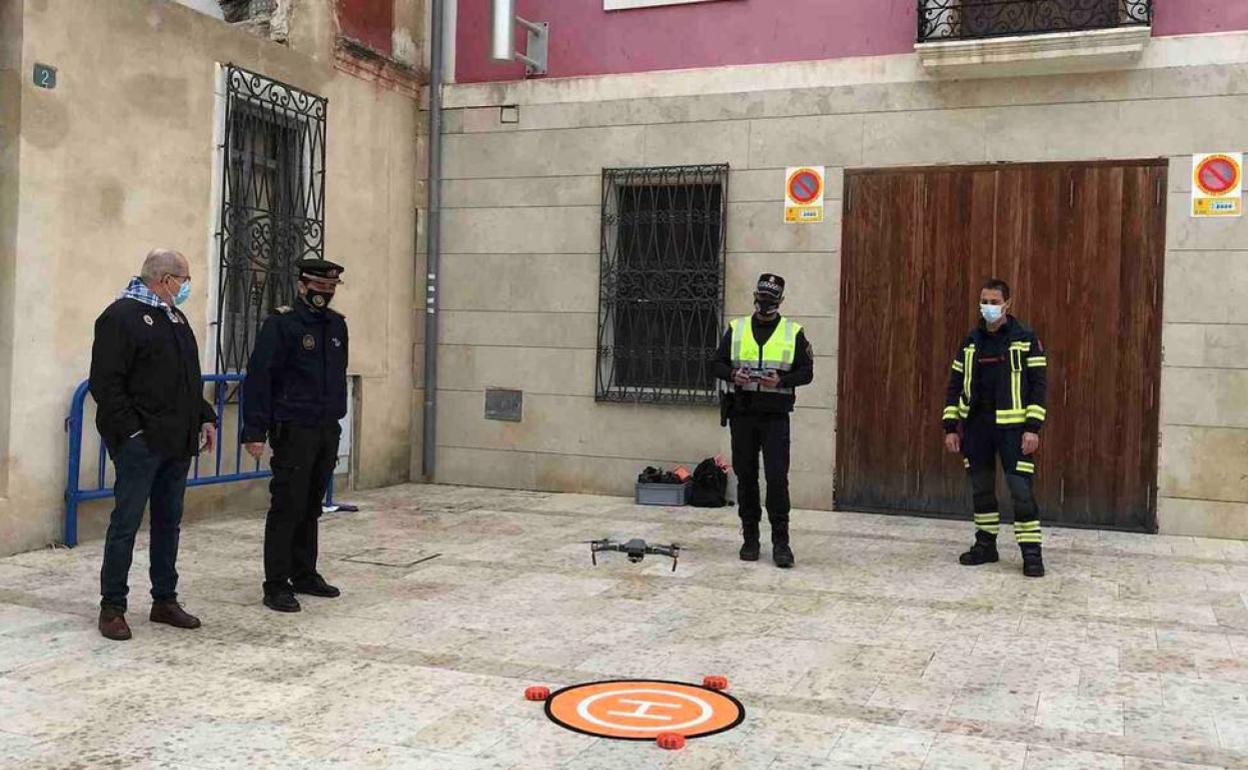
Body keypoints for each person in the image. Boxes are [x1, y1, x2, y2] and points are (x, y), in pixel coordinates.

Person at [89, 249, 217, 641]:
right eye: (185, 280)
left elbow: (186, 381)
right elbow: (106, 384)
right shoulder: (120, 317)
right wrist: (131, 435)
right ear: (166, 279)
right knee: (126, 524)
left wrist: (205, 416)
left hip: (176, 442)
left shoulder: (175, 318)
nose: (186, 287)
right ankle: (113, 606)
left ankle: (164, 599)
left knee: (168, 524)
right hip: (141, 444)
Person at [242, 258, 348, 612]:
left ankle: (304, 573)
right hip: (293, 430)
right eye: (319, 288)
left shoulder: (336, 327)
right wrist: (253, 431)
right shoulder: (282, 324)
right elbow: (260, 378)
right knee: (287, 505)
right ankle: (275, 584)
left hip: (325, 428)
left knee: (311, 505)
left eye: (331, 289)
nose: (325, 295)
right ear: (303, 286)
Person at [942, 278, 1048, 578]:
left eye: (993, 302)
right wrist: (950, 426)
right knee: (982, 489)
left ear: (1007, 304)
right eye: (984, 301)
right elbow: (954, 385)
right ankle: (985, 545)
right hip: (976, 428)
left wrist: (1033, 428)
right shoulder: (971, 341)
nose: (988, 307)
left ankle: (1031, 553)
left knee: (1021, 491)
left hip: (1014, 431)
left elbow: (1039, 386)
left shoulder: (1026, 338)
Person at [712, 274, 814, 568]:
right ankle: (750, 539)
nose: (764, 304)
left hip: (775, 417)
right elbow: (716, 363)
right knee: (746, 478)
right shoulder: (737, 328)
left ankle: (781, 543)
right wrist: (733, 375)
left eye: (770, 300)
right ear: (754, 296)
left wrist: (781, 380)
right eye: (760, 298)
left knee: (777, 479)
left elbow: (807, 372)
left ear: (780, 301)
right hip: (742, 414)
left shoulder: (793, 332)